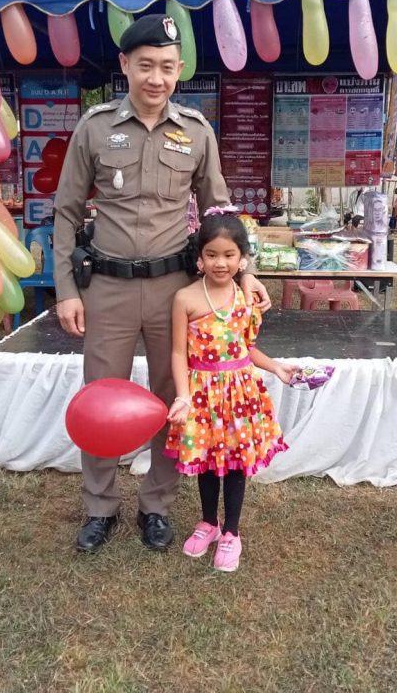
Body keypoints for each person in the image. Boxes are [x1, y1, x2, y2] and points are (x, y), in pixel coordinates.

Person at [52, 14, 270, 554]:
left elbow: (219, 211)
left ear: (179, 70)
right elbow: (66, 211)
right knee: (101, 394)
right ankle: (100, 507)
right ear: (125, 65)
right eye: (145, 65)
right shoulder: (95, 127)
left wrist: (245, 272)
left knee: (173, 397)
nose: (156, 77)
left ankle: (156, 505)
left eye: (167, 67)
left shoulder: (196, 131)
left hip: (176, 291)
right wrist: (67, 289)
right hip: (108, 287)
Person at [165, 212, 296, 572]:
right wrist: (182, 396)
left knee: (236, 463)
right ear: (199, 257)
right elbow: (178, 353)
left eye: (228, 255)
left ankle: (231, 532)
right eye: (211, 254)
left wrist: (276, 367)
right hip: (202, 395)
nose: (220, 263)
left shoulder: (245, 298)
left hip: (240, 395)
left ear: (242, 259)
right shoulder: (185, 298)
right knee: (207, 461)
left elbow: (246, 348)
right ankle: (209, 522)